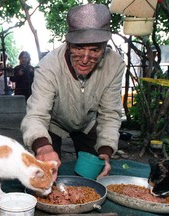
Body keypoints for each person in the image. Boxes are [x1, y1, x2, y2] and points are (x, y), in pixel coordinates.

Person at [21, 3, 126, 181]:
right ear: (68, 43)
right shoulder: (48, 66)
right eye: (79, 48)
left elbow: (110, 113)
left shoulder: (114, 65)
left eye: (95, 50)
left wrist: (106, 149)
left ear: (104, 46)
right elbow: (36, 115)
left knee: (92, 176)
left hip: (88, 123)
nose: (85, 59)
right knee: (46, 173)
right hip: (52, 123)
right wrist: (42, 147)